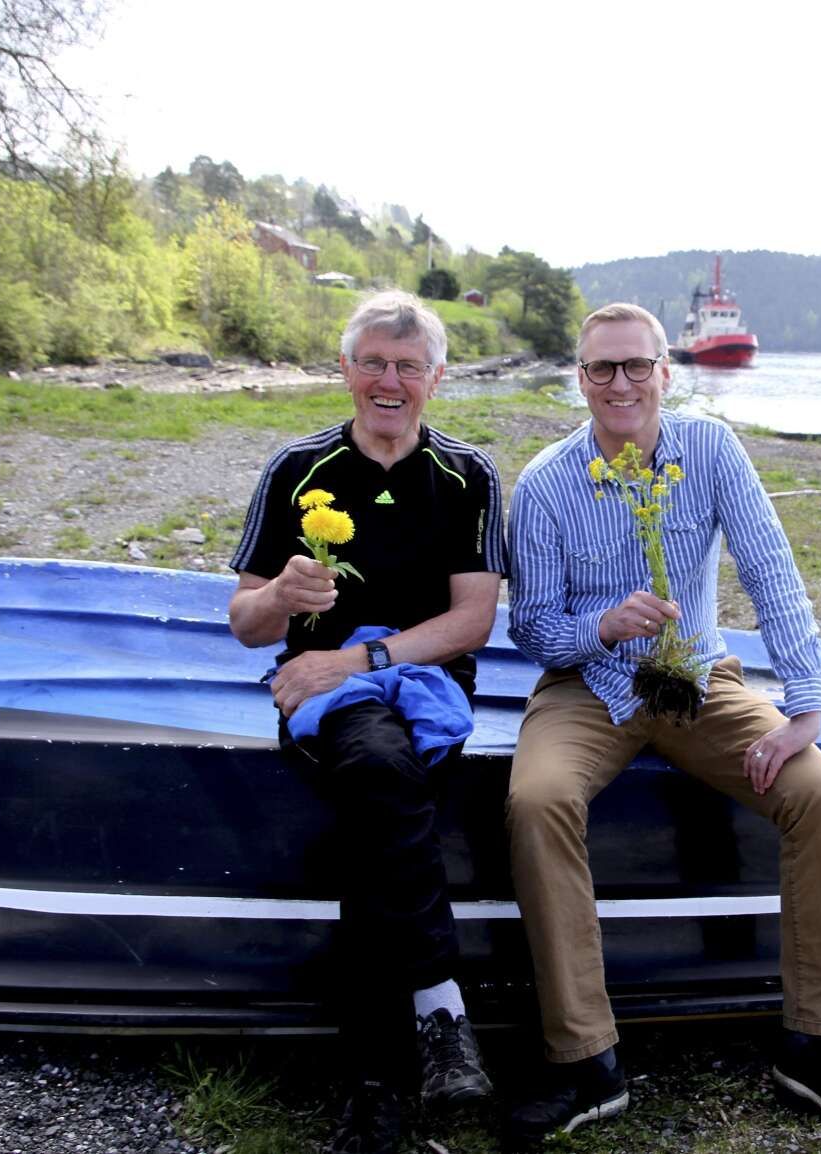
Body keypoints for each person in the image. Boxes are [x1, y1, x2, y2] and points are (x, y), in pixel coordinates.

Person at [502, 303, 821, 1146]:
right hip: (588, 683)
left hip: (699, 677)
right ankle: (586, 1059)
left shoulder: (709, 449)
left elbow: (769, 568)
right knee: (537, 800)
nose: (620, 383)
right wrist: (603, 625)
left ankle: (815, 1044)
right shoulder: (544, 483)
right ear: (579, 377)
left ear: (665, 371)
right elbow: (531, 627)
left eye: (636, 365)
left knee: (820, 794)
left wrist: (804, 705)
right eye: (601, 368)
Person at [227, 291, 504, 1152]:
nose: (390, 381)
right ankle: (440, 1014)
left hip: (422, 682)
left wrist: (356, 658)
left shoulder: (468, 476)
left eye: (408, 366)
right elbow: (246, 625)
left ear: (436, 378)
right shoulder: (296, 467)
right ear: (346, 369)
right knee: (382, 775)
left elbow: (471, 623)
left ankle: (374, 1085)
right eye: (374, 363)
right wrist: (282, 595)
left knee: (377, 813)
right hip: (324, 696)